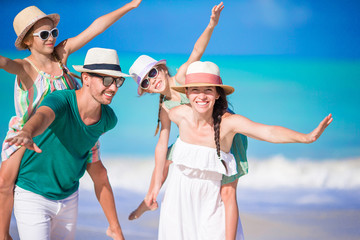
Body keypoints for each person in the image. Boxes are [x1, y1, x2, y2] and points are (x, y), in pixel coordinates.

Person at [0, 1, 141, 239]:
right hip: (31, 131)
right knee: (5, 181)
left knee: (99, 172)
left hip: (76, 127)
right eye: (43, 34)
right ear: (27, 41)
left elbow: (94, 28)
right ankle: (3, 233)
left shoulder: (61, 55)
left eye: (53, 32)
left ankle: (114, 226)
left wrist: (128, 6)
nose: (51, 38)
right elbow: (5, 63)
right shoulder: (26, 67)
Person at [157, 60, 333, 239]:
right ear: (186, 92)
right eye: (195, 90)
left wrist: (306, 137)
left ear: (218, 94)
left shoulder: (229, 123)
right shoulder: (177, 114)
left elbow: (268, 131)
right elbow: (163, 139)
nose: (201, 96)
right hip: (177, 201)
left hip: (212, 207)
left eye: (208, 90)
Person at [128, 2, 248, 239]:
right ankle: (151, 196)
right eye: (145, 82)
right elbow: (162, 143)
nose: (152, 81)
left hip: (222, 134)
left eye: (152, 73)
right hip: (195, 140)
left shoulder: (183, 76)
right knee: (167, 158)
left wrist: (211, 24)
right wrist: (156, 179)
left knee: (226, 193)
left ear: (161, 69)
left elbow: (196, 50)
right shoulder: (164, 107)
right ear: (146, 90)